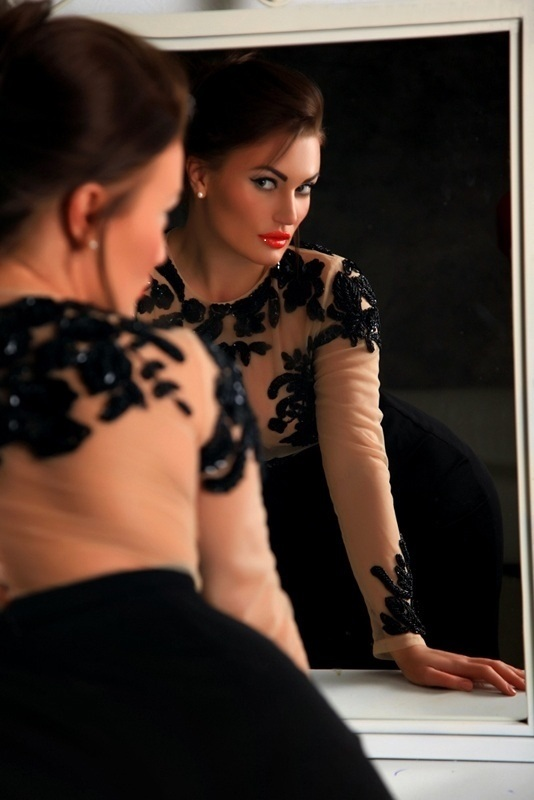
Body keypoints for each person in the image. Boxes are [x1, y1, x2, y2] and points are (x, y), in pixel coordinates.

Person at [0, 4, 397, 798]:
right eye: (155, 215)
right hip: (181, 726)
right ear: (85, 213)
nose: (158, 247)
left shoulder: (323, 290)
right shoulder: (175, 368)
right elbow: (252, 611)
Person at [138, 53, 525, 693]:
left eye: (305, 186)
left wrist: (402, 633)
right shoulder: (125, 291)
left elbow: (358, 455)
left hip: (407, 508)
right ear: (200, 174)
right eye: (266, 182)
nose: (289, 212)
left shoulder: (330, 289)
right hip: (223, 532)